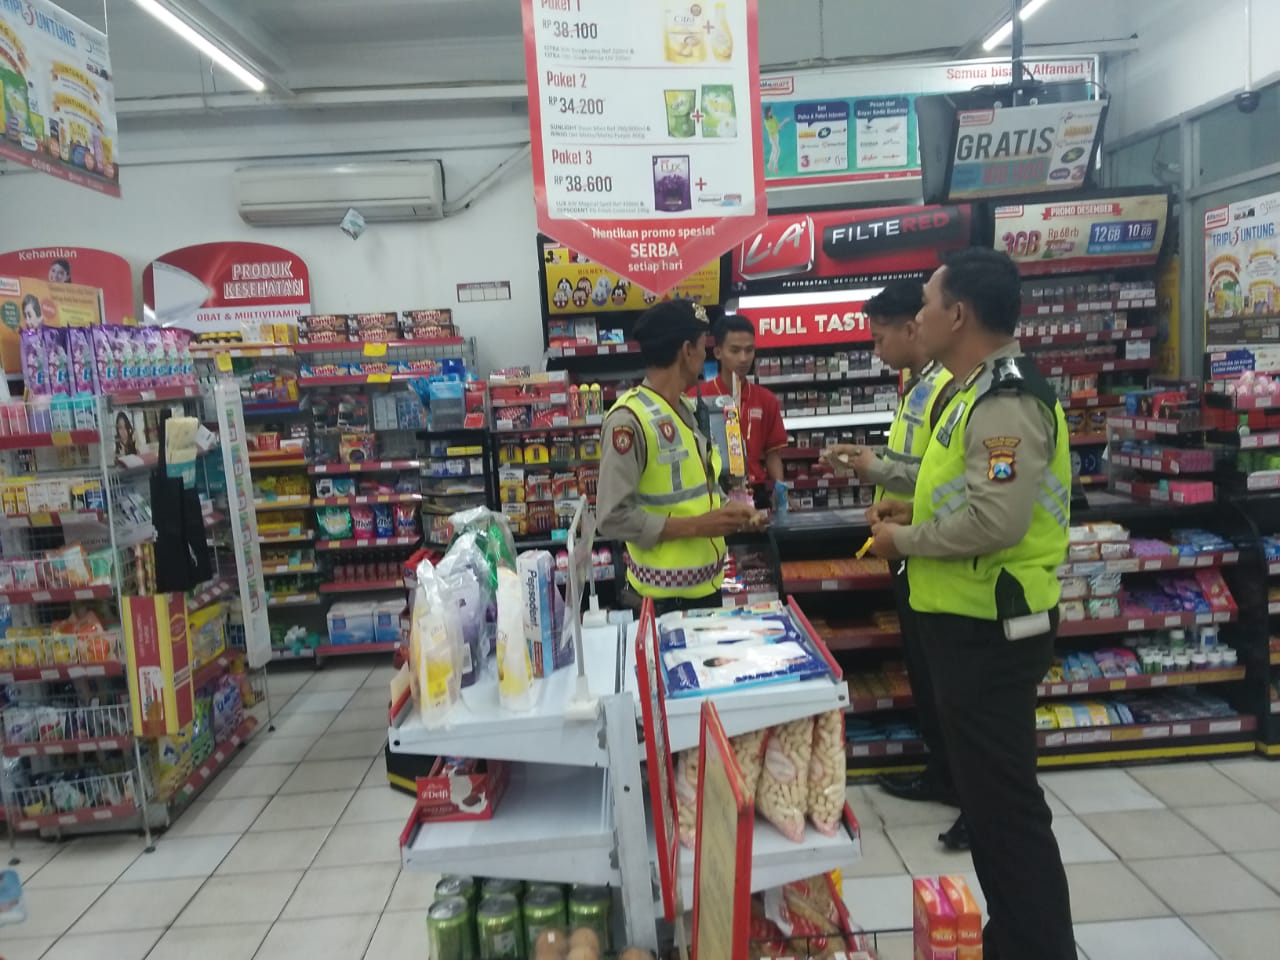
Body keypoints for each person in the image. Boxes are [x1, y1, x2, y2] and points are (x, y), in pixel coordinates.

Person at [866, 248, 1075, 960]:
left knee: (1006, 810)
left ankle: (1038, 947)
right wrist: (913, 507)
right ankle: (1014, 938)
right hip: (967, 623)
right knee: (988, 808)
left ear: (957, 315)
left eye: (927, 303)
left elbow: (997, 522)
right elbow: (969, 496)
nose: (918, 317)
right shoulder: (969, 392)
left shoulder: (1004, 400)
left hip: (993, 629)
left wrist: (904, 539)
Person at [819, 280, 964, 843]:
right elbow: (920, 467)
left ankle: (973, 797)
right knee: (927, 672)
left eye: (880, 338)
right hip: (911, 542)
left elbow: (946, 477)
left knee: (950, 681)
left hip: (938, 550)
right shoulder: (918, 386)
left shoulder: (949, 390)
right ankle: (943, 773)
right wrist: (872, 463)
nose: (876, 349)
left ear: (912, 328)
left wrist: (874, 469)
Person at [597, 299, 762, 616]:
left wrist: (730, 509)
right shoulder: (628, 420)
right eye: (703, 346)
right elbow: (612, 516)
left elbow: (694, 489)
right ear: (687, 351)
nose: (704, 355)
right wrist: (697, 526)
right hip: (664, 604)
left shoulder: (685, 409)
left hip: (706, 591)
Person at [693, 315, 788, 509]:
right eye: (735, 350)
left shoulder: (766, 399)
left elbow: (773, 454)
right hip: (712, 493)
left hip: (756, 493)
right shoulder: (696, 397)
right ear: (718, 352)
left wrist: (781, 493)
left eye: (749, 350)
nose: (743, 358)